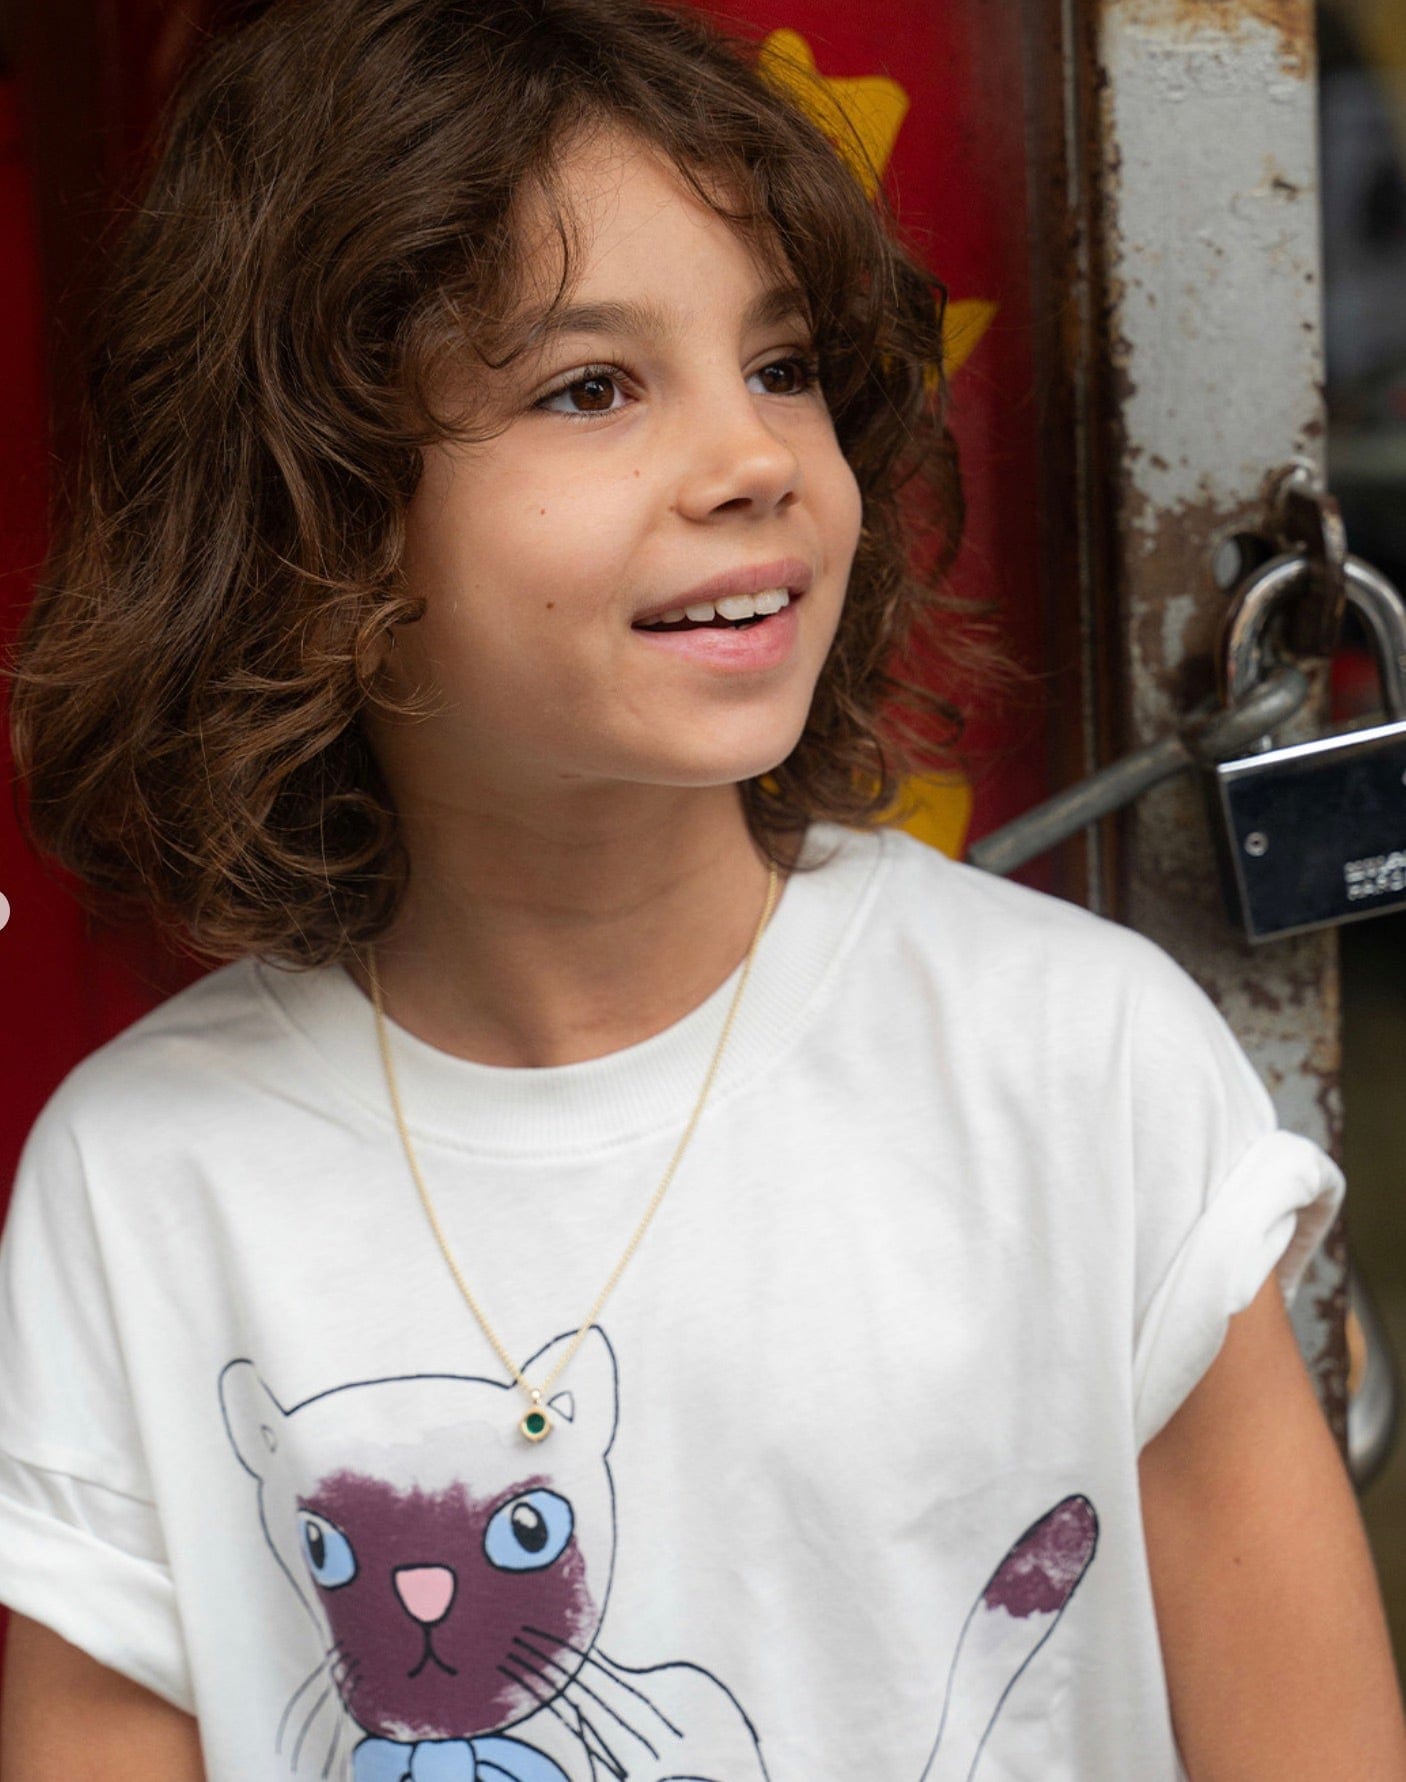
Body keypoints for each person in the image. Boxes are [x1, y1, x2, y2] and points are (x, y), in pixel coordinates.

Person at [1, 0, 1403, 1776]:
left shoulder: (1076, 1062)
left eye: (784, 363)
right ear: (317, 517)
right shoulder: (144, 1183)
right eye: (590, 387)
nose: (753, 460)